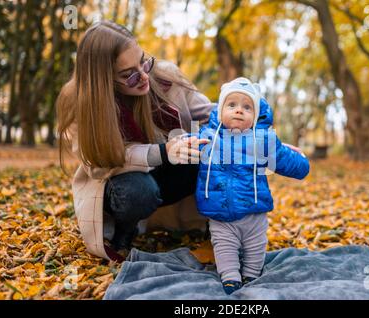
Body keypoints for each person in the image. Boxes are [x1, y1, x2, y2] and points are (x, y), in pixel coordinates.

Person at [56, 20, 213, 261]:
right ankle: (124, 230)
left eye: (143, 61)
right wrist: (163, 151)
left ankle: (220, 227)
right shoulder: (79, 103)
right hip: (122, 183)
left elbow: (211, 112)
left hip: (170, 173)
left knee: (214, 151)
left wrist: (254, 123)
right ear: (104, 80)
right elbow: (100, 162)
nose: (143, 77)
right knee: (138, 191)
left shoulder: (165, 77)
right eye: (128, 75)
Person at [195, 77, 310, 294]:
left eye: (247, 107)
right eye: (232, 105)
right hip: (219, 211)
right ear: (220, 111)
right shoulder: (206, 136)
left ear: (255, 116)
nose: (239, 110)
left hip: (254, 210)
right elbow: (185, 145)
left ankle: (251, 274)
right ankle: (230, 278)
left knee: (255, 246)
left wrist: (301, 161)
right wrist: (179, 145)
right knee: (224, 245)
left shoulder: (263, 140)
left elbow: (288, 162)